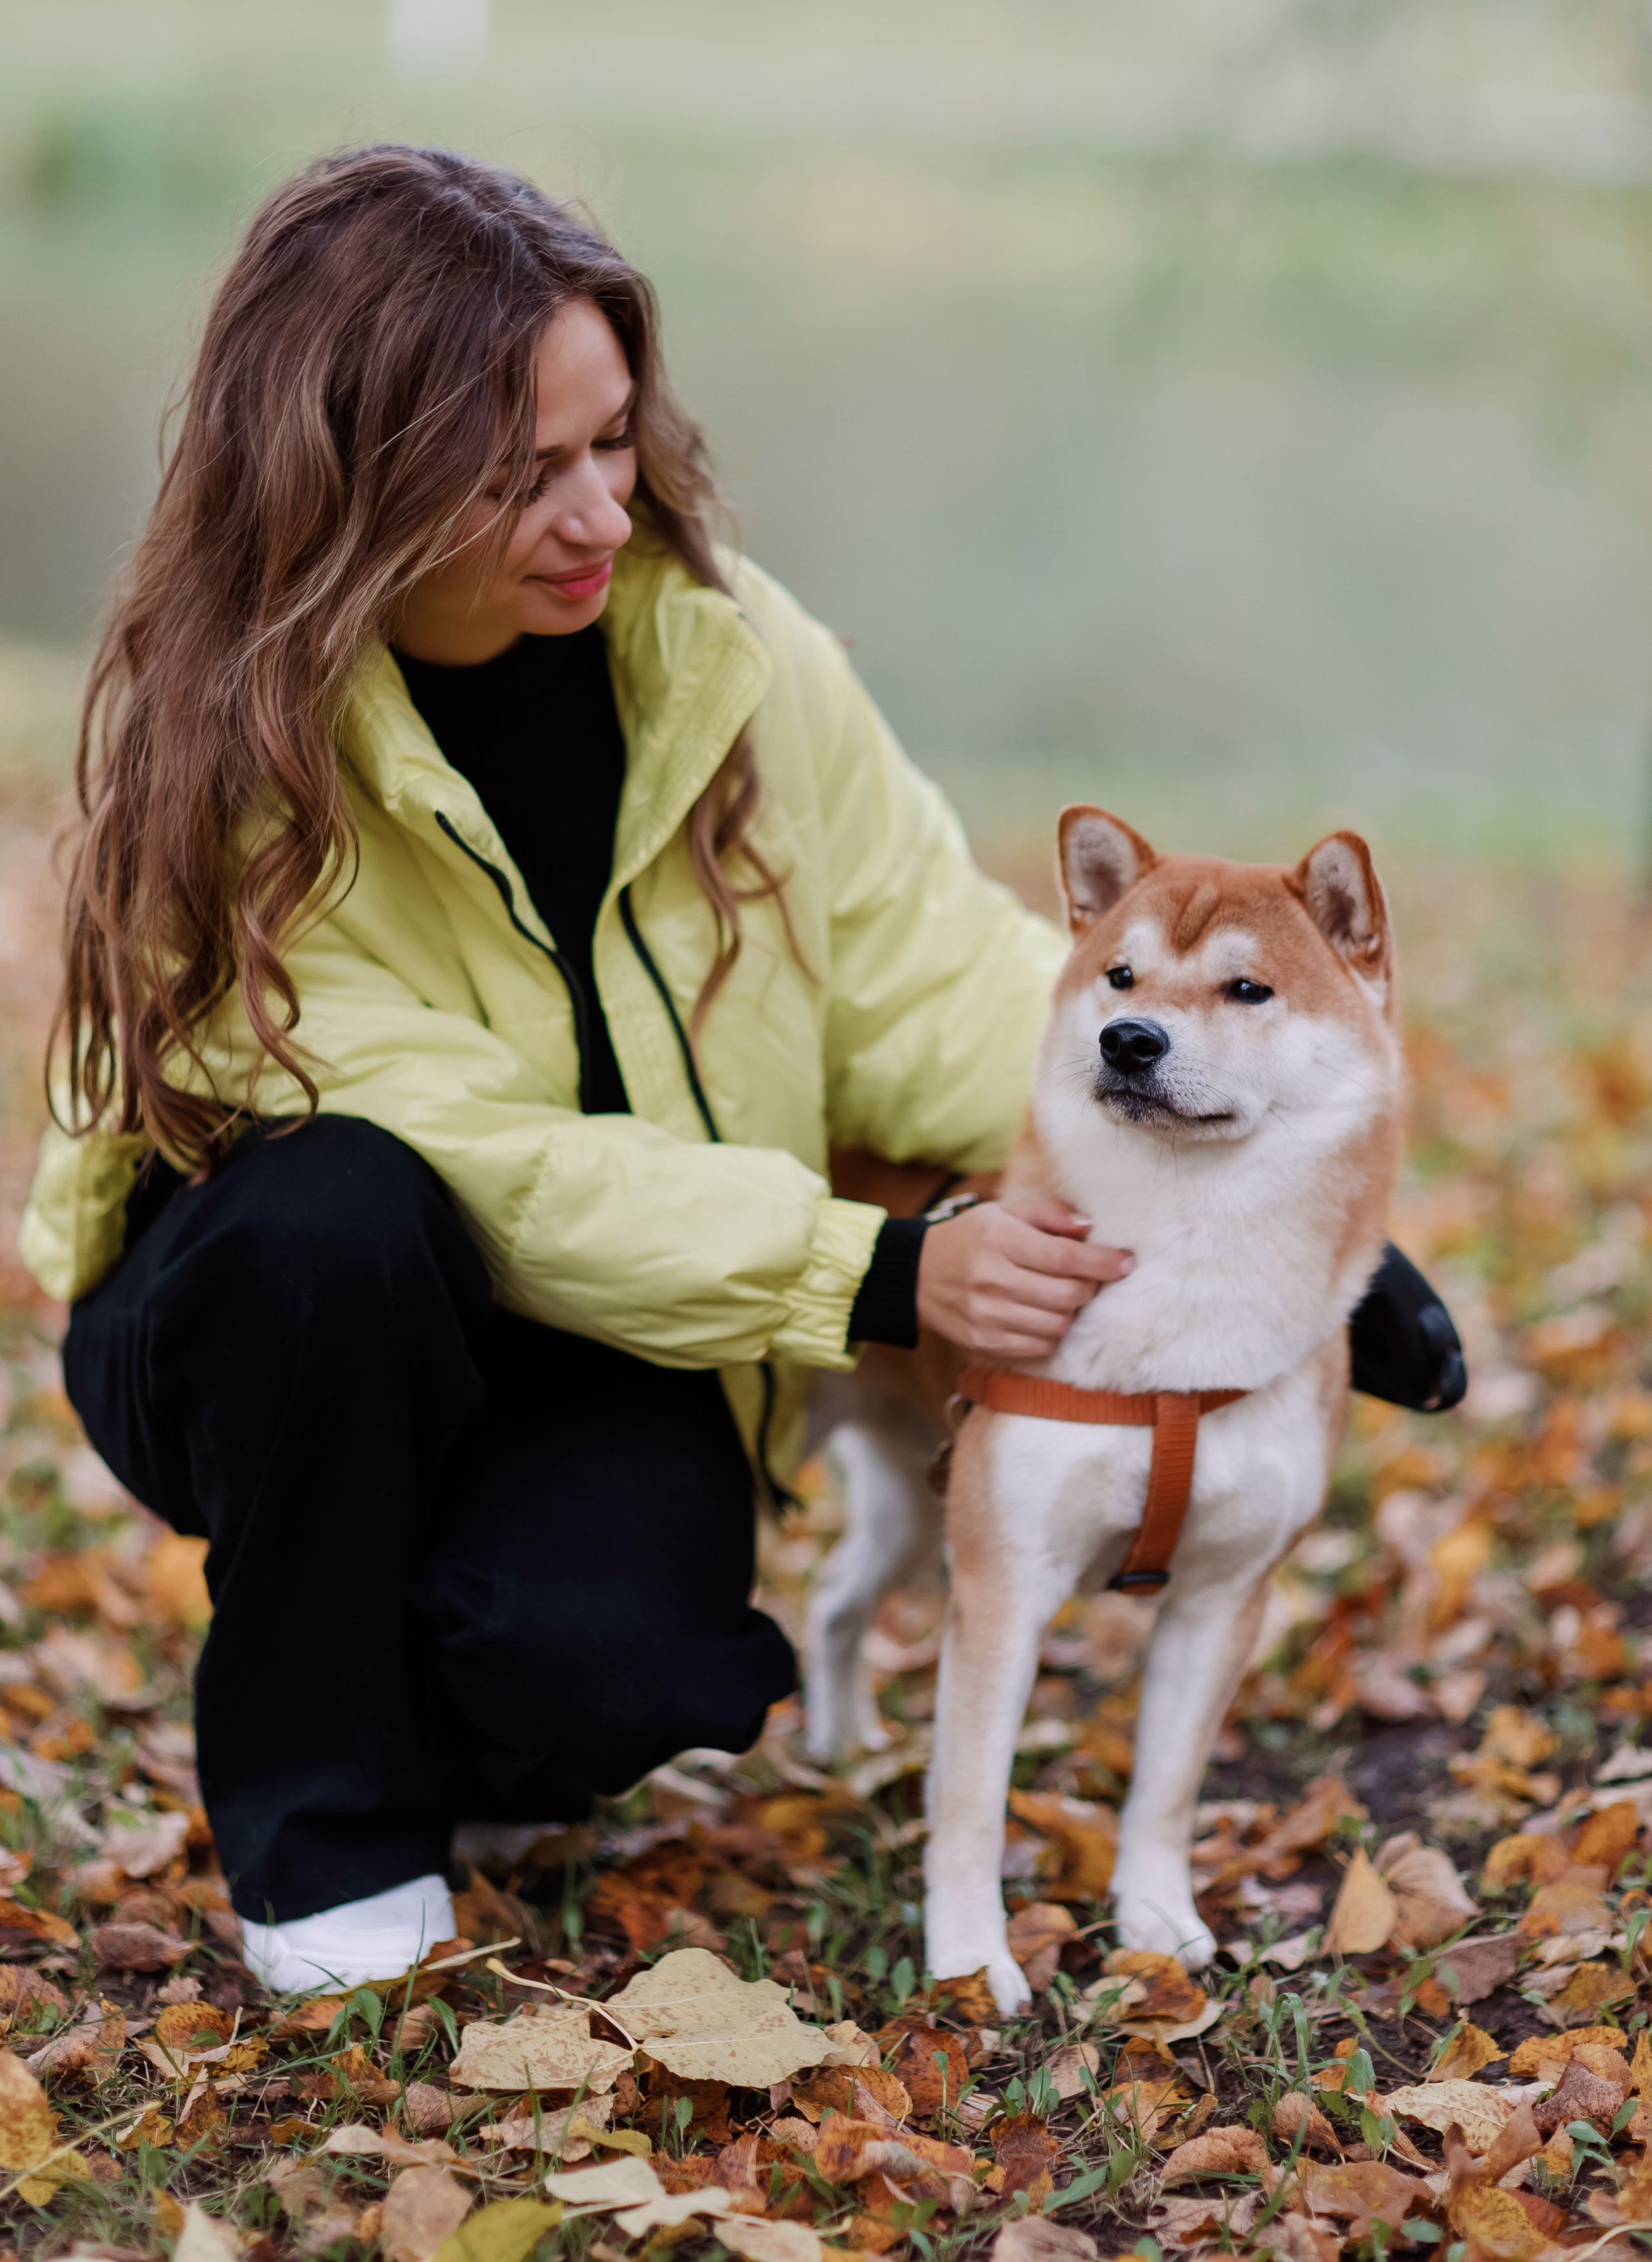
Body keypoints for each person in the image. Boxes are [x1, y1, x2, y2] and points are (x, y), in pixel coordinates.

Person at [22, 146, 1462, 1995]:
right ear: (350, 491)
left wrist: (1262, 1214)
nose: (597, 513)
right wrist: (874, 1268)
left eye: (612, 439)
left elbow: (930, 965)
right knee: (341, 1218)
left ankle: (460, 1707)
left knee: (630, 1665)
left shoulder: (725, 652)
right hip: (271, 1313)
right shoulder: (231, 766)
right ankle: (328, 1834)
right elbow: (477, 1159)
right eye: (516, 475)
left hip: (626, 1290)